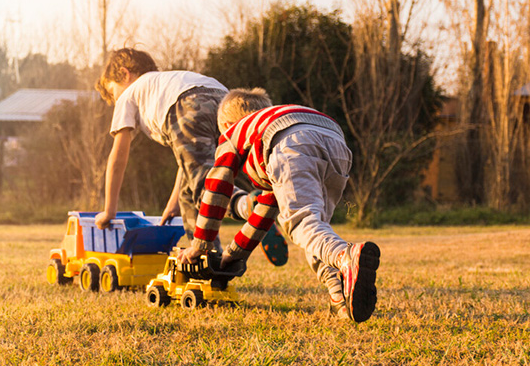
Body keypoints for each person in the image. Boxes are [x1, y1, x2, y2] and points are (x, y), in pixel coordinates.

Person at [177, 88, 381, 323]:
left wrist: (201, 244)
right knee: (314, 229)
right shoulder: (268, 124)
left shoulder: (235, 131)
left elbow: (216, 186)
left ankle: (346, 255)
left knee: (301, 223)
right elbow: (263, 213)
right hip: (337, 142)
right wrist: (231, 259)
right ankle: (340, 300)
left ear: (226, 123)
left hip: (293, 143)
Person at [93, 48, 288, 262]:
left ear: (124, 74)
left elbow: (118, 158)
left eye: (113, 93)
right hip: (224, 99)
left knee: (208, 191)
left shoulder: (130, 93)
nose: (116, 100)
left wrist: (109, 211)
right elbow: (189, 161)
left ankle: (247, 207)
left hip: (188, 104)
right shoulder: (166, 82)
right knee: (191, 194)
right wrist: (173, 202)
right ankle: (210, 260)